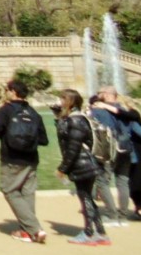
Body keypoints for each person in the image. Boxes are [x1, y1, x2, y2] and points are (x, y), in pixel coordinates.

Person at [0, 79, 49, 243]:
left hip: (11, 158)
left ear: (13, 91)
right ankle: (27, 231)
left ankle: (35, 229)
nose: (5, 92)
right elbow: (44, 140)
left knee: (9, 190)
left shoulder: (6, 110)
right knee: (27, 193)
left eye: (7, 90)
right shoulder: (34, 113)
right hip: (31, 159)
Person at [54, 89, 111, 246]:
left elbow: (72, 148)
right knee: (88, 199)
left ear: (70, 102)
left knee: (85, 198)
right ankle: (100, 233)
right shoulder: (77, 118)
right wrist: (58, 118)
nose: (60, 101)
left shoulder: (76, 120)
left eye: (62, 98)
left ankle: (88, 233)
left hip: (83, 164)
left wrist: (62, 169)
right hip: (88, 163)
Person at [90, 86, 136, 225]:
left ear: (107, 95)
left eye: (99, 93)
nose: (97, 95)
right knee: (122, 181)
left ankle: (112, 215)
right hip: (126, 148)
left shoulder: (98, 111)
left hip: (109, 150)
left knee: (102, 181)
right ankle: (123, 216)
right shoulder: (125, 110)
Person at [117, 95, 141, 221]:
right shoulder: (133, 116)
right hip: (137, 151)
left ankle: (140, 209)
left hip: (135, 152)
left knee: (134, 182)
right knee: (135, 182)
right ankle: (139, 209)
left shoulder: (131, 118)